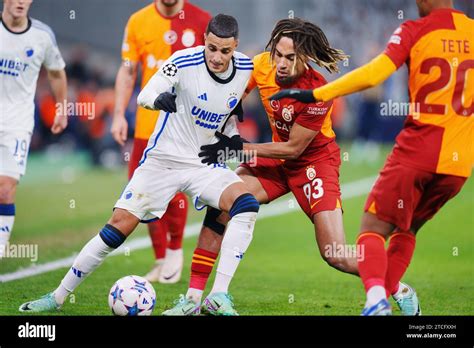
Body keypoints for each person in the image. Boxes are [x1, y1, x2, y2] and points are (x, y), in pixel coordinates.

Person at [162, 18, 417, 316]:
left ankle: (398, 287)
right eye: (277, 55)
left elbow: (294, 148)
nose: (280, 64)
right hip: (275, 158)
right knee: (221, 204)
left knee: (334, 254)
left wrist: (237, 149)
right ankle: (196, 299)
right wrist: (233, 103)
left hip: (314, 162)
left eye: (289, 58)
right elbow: (233, 92)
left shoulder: (318, 91)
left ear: (305, 58)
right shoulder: (262, 65)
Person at [18, 14, 261, 314]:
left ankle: (213, 297)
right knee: (117, 228)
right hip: (164, 162)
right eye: (212, 48)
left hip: (203, 162)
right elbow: (147, 91)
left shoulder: (247, 67)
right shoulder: (184, 62)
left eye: (225, 51)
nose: (217, 57)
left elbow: (261, 78)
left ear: (235, 47)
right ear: (205, 42)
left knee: (245, 204)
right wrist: (157, 101)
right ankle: (56, 297)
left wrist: (233, 134)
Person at [271, 0, 472, 315]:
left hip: (418, 151)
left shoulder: (415, 29)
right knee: (407, 230)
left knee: (372, 230)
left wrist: (318, 93)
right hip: (458, 166)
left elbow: (376, 73)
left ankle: (377, 300)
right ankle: (392, 296)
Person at [111, 0, 211, 283]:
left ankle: (176, 251)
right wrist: (119, 114)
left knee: (176, 189)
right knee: (139, 194)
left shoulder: (201, 20)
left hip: (185, 127)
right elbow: (128, 70)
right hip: (146, 125)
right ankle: (161, 258)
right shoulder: (138, 21)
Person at [0, 0, 68, 259]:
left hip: (17, 123)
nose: (20, 2)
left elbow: (56, 72)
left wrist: (62, 107)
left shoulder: (42, 35)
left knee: (5, 189)